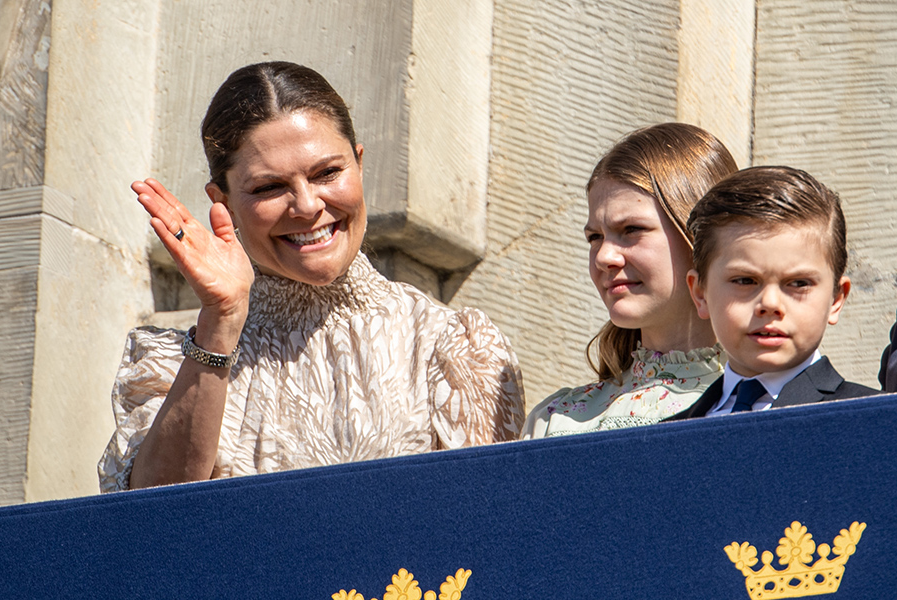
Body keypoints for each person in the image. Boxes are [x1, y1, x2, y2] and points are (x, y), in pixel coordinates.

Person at [98, 62, 525, 492]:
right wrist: (221, 325)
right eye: (268, 188)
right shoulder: (171, 364)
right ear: (221, 201)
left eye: (327, 173)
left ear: (359, 165)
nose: (305, 205)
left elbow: (482, 532)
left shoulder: (448, 346)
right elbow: (148, 527)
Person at [521, 123, 738, 439]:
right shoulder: (556, 420)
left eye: (632, 229)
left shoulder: (770, 403)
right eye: (595, 237)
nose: (603, 257)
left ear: (701, 237)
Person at [666, 166, 877, 421]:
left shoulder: (876, 420)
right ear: (701, 294)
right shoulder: (661, 438)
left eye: (799, 283)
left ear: (835, 299)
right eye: (745, 280)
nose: (770, 304)